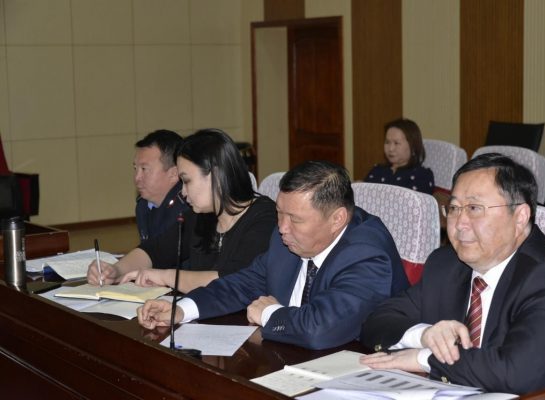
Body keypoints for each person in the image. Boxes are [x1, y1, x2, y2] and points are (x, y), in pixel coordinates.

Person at [359, 153, 545, 394]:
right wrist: (426, 335)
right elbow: (376, 321)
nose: (459, 223)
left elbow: (517, 374)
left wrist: (426, 358)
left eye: (474, 208)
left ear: (520, 217)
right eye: (453, 208)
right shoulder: (446, 264)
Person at [137, 160, 410, 350]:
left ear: (337, 219)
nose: (282, 227)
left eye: (295, 219)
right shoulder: (286, 238)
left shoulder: (367, 253)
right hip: (293, 359)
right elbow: (243, 283)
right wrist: (182, 309)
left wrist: (269, 313)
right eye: (279, 213)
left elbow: (321, 329)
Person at [87, 129, 277, 291]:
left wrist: (167, 277)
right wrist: (116, 270)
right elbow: (155, 250)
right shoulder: (200, 215)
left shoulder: (264, 217)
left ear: (216, 175)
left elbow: (234, 280)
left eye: (186, 181)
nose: (183, 192)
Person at [134, 130, 188, 243]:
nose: (137, 178)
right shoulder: (142, 206)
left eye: (144, 169)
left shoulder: (187, 210)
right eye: (135, 168)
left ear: (174, 174)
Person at [364, 118, 434, 195]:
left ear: (413, 146)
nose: (391, 149)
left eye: (396, 143)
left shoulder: (422, 175)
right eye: (387, 142)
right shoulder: (377, 170)